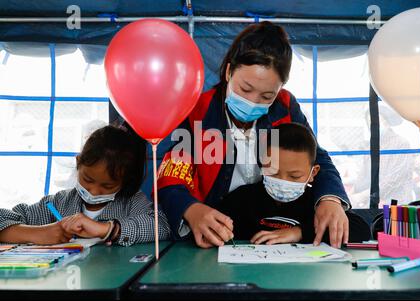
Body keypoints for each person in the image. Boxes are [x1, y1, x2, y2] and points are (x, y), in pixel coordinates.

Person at [158, 21, 351, 249]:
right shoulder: (198, 111)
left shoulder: (285, 107)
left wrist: (330, 199)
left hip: (268, 227)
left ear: (280, 89)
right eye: (245, 89)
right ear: (229, 72)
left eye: (267, 96)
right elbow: (171, 172)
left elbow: (315, 157)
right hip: (214, 228)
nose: (252, 102)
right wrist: (191, 209)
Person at [0, 125, 171, 246]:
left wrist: (107, 229)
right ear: (78, 164)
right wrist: (39, 233)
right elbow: (3, 218)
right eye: (88, 179)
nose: (94, 191)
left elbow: (161, 226)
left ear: (124, 181)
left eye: (107, 186)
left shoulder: (131, 203)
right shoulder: (57, 205)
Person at [215, 123, 370, 244]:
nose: (283, 181)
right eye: (274, 172)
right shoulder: (242, 199)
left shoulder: (316, 205)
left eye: (294, 176)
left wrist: (299, 233)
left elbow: (360, 229)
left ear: (313, 173)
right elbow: (216, 223)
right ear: (263, 164)